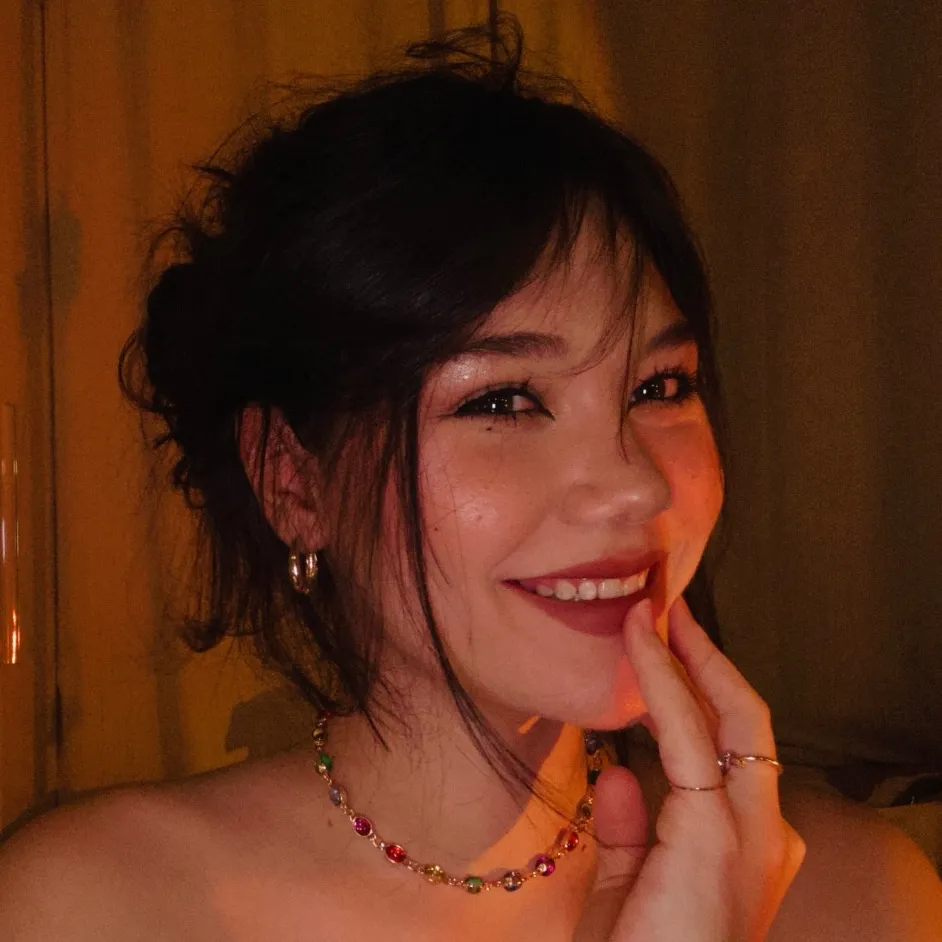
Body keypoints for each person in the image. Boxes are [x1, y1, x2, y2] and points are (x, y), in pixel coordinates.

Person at [0, 20, 939, 941]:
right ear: (293, 482)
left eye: (660, 387)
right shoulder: (88, 907)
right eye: (503, 401)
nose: (638, 489)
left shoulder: (864, 897)